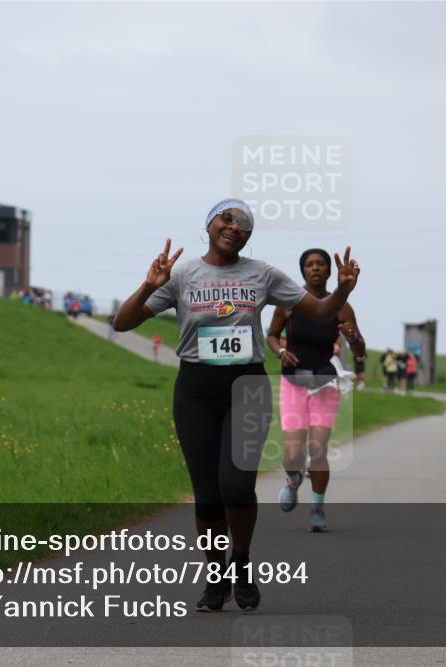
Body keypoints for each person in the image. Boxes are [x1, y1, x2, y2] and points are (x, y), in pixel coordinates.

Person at [112, 199, 361, 612]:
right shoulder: (182, 274)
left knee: (236, 486)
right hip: (195, 388)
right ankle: (215, 579)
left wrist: (343, 292)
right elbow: (123, 323)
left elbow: (317, 310)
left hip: (245, 386)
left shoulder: (262, 274)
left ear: (248, 236)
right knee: (208, 495)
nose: (234, 227)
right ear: (209, 224)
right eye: (226, 219)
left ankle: (241, 565)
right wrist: (150, 285)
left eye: (244, 224)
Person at [267, 248, 366, 533]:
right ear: (303, 271)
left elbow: (360, 351)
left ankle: (317, 507)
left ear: (328, 270)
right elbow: (272, 335)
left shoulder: (342, 306)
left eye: (321, 264)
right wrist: (281, 350)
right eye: (309, 265)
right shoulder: (288, 303)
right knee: (292, 454)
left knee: (318, 449)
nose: (315, 269)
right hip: (293, 382)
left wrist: (354, 337)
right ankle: (293, 479)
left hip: (324, 383)